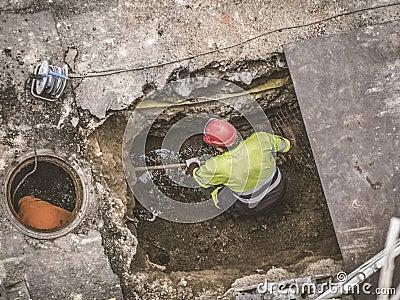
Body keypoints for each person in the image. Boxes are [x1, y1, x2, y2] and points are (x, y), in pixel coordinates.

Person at [186, 118, 290, 216]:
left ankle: (235, 213)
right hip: (280, 190)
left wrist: (193, 164)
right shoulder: (261, 139)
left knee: (216, 194)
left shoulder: (216, 166)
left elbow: (199, 178)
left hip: (254, 207)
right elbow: (285, 145)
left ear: (219, 149)